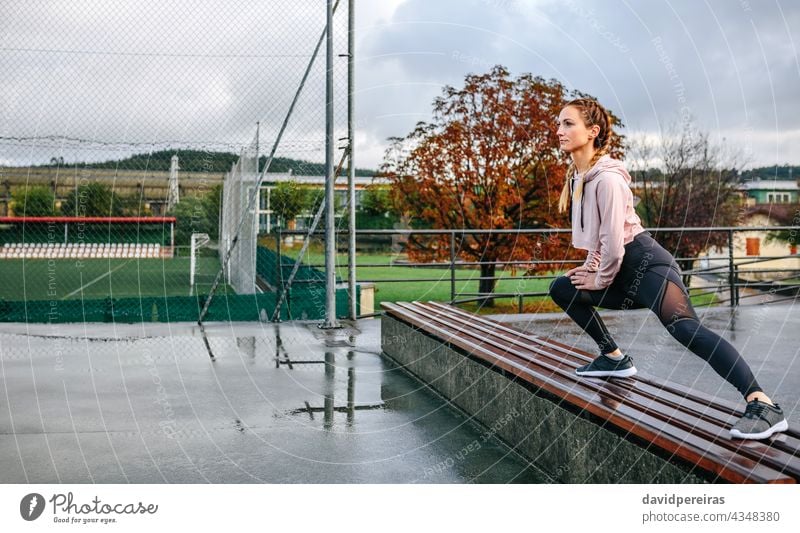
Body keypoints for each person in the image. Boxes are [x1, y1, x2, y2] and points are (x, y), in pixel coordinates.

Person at [547, 97, 788, 440]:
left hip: (647, 266)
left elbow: (615, 244)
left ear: (592, 131)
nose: (560, 131)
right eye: (559, 124)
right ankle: (614, 358)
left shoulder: (608, 180)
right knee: (563, 287)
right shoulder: (580, 178)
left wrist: (598, 276)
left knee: (686, 329)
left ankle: (763, 404)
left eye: (568, 123)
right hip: (619, 270)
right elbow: (598, 243)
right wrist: (590, 270)